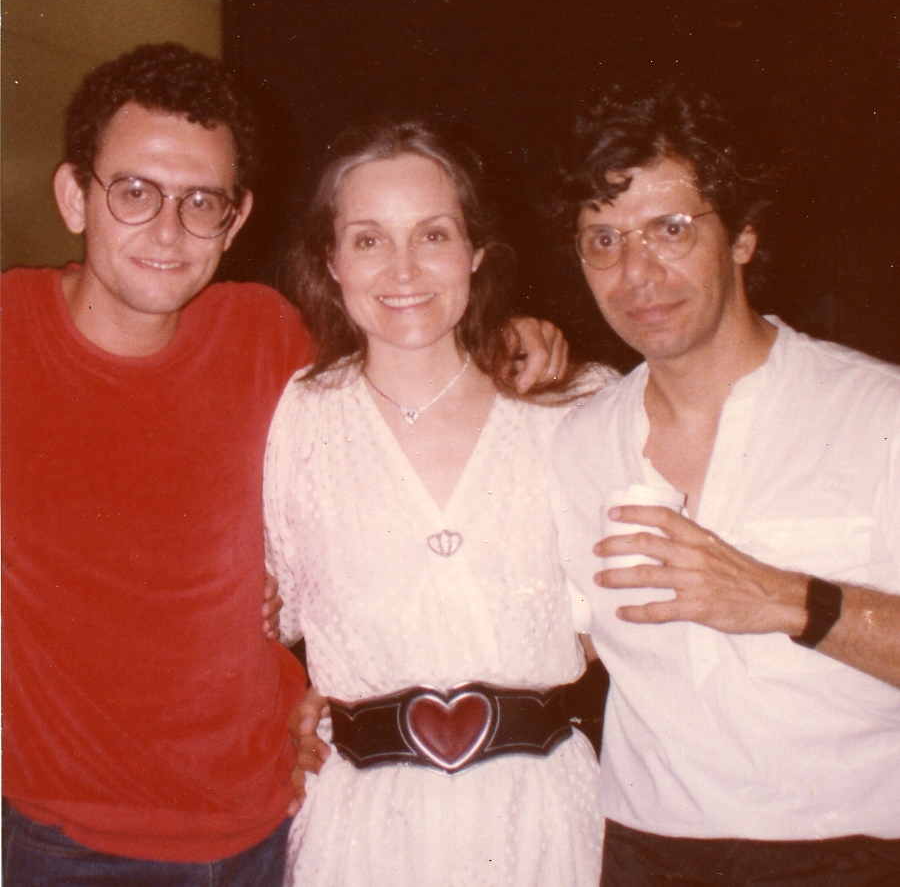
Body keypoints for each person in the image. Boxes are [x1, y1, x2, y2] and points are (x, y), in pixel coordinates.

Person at [1, 43, 563, 886]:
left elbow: (405, 342)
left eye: (201, 201)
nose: (168, 228)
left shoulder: (269, 337)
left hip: (275, 820)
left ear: (236, 219)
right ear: (74, 196)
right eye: (134, 192)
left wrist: (511, 332)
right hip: (71, 845)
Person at [550, 84, 900, 885]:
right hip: (647, 847)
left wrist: (785, 599)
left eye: (670, 230)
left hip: (857, 848)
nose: (637, 272)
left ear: (742, 235)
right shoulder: (574, 441)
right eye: (602, 241)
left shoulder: (880, 413)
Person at [264, 118, 616, 887]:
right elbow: (270, 613)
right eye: (367, 239)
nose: (402, 270)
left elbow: (632, 615)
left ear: (475, 251)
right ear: (330, 260)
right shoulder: (297, 415)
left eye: (432, 235)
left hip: (543, 825)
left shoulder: (575, 403)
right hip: (361, 834)